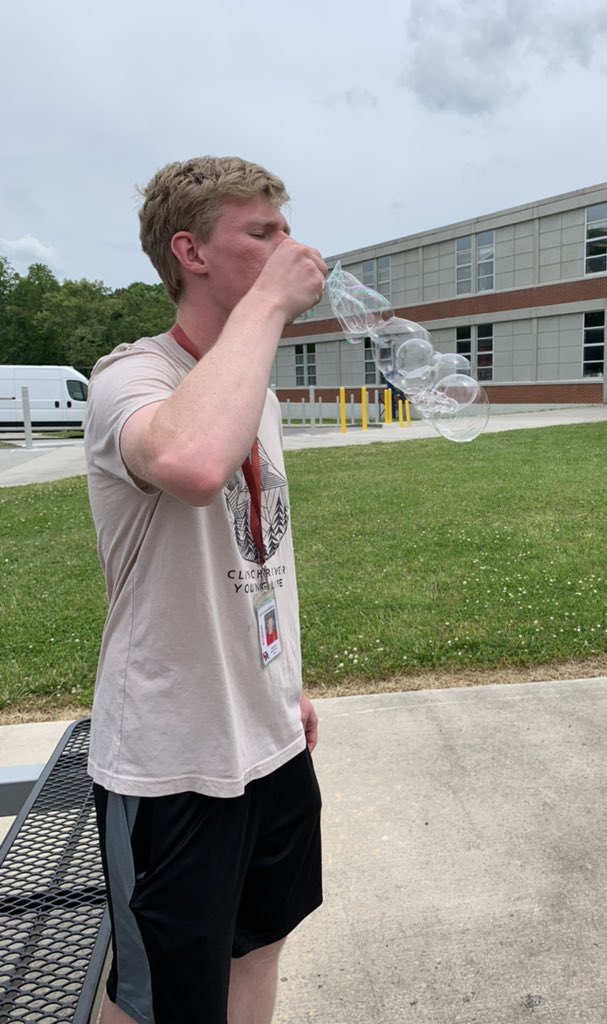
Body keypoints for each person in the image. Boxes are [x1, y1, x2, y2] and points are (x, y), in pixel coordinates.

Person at [84, 156, 328, 1024]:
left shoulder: (248, 380)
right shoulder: (130, 378)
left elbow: (255, 556)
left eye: (284, 227)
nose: (289, 247)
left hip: (266, 739)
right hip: (170, 762)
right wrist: (267, 305)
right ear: (189, 251)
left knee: (259, 949)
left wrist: (281, 690)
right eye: (261, 232)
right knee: (157, 998)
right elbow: (188, 464)